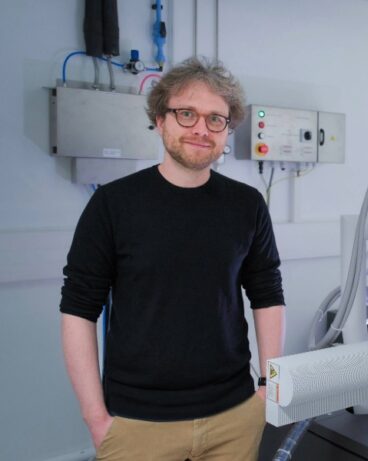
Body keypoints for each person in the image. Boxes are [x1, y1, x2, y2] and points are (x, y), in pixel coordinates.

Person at [60, 56, 285, 460]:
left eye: (216, 119)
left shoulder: (246, 205)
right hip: (137, 424)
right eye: (187, 114)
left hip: (233, 416)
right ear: (161, 120)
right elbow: (78, 311)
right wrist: (95, 418)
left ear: (227, 130)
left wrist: (271, 386)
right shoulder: (113, 205)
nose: (201, 128)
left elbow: (267, 293)